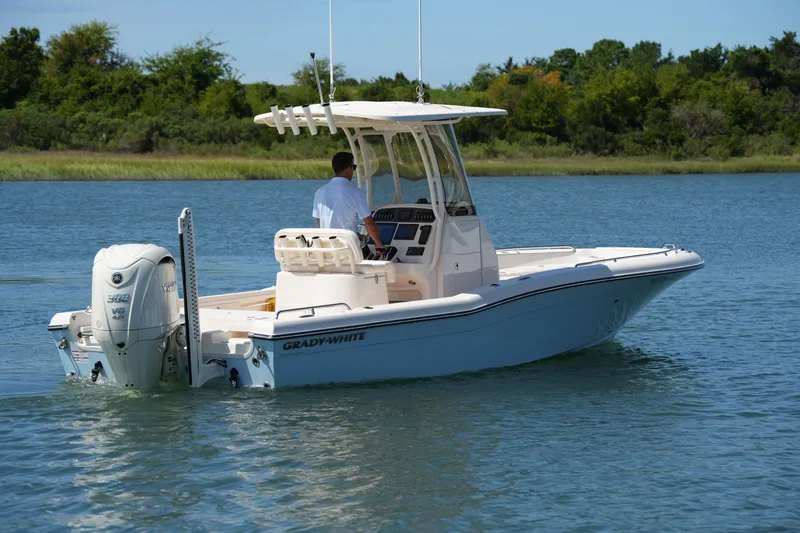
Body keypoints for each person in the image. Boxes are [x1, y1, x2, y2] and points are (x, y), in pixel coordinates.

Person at [313, 152, 386, 257]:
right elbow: (369, 223)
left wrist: (356, 235)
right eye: (354, 167)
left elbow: (321, 221)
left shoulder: (319, 192)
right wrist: (379, 244)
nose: (353, 171)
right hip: (347, 251)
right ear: (348, 168)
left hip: (327, 251)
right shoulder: (355, 192)